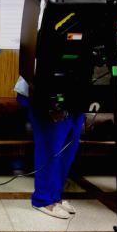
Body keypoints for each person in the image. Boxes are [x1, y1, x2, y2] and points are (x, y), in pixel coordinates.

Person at [15, 77, 85, 219]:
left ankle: (55, 195)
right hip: (44, 91)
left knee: (67, 151)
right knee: (50, 148)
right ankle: (42, 199)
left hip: (75, 93)